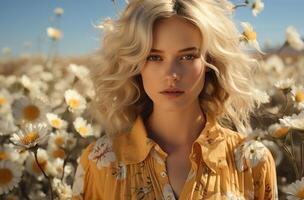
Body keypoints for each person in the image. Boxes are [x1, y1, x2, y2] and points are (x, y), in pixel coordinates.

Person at [72, 0, 278, 199]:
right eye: (154, 57)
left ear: (209, 62)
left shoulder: (252, 161)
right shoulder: (99, 162)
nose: (171, 74)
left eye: (187, 57)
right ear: (136, 63)